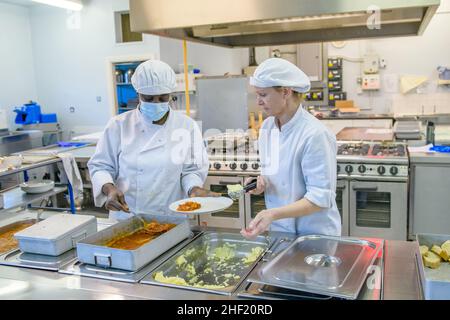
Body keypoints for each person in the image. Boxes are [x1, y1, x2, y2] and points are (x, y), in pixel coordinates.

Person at [88, 60, 218, 220]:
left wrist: (194, 189)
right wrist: (109, 188)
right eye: (149, 98)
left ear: (171, 95)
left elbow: (191, 170)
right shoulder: (119, 125)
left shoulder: (186, 125)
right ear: (138, 94)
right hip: (127, 215)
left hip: (170, 216)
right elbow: (101, 166)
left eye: (162, 98)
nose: (156, 104)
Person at [241, 58, 341, 239]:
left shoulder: (315, 134)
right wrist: (260, 183)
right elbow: (275, 173)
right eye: (257, 95)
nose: (258, 102)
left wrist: (273, 214)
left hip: (314, 235)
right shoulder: (267, 127)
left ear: (286, 92)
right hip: (280, 232)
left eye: (263, 95)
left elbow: (320, 198)